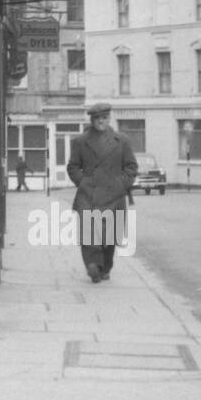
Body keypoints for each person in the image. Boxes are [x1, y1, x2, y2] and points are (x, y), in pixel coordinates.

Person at [66, 102, 137, 283]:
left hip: (114, 194)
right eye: (97, 118)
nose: (101, 121)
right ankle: (92, 265)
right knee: (89, 230)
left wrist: (121, 184)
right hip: (89, 194)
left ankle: (105, 267)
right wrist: (83, 183)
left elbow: (131, 167)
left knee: (109, 236)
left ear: (109, 118)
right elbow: (73, 167)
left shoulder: (122, 141)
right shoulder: (80, 142)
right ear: (92, 120)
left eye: (104, 118)